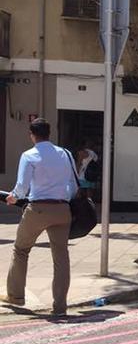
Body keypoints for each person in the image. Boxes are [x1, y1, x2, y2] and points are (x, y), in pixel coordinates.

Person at [3, 118, 78, 316]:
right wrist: (62, 198)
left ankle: (15, 295)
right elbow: (73, 185)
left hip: (38, 209)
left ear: (32, 135)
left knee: (21, 249)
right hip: (62, 210)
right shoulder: (65, 154)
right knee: (61, 258)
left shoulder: (29, 155)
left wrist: (13, 198)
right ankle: (60, 307)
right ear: (49, 133)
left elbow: (22, 186)